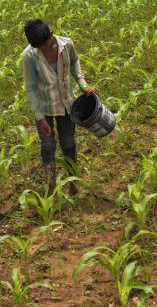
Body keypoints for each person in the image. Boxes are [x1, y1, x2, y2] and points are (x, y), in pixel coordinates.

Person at [21, 19, 96, 192]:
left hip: (66, 104)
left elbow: (75, 62)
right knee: (47, 146)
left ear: (52, 34)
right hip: (44, 107)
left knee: (68, 143)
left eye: (47, 45)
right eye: (40, 48)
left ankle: (73, 182)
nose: (45, 50)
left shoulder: (66, 44)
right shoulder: (29, 56)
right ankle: (51, 185)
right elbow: (31, 88)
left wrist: (83, 84)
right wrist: (39, 118)